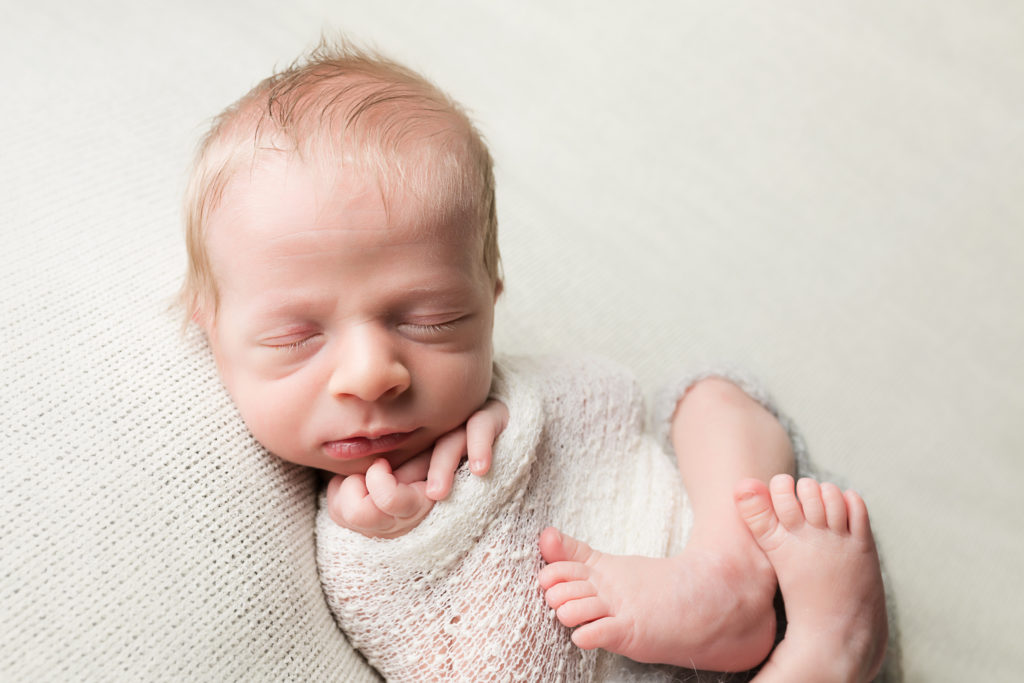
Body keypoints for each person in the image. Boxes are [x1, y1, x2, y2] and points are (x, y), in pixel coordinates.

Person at [179, 39, 887, 681]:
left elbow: (604, 413)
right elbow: (454, 643)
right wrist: (394, 539)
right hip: (772, 638)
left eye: (433, 321)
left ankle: (728, 571)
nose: (373, 373)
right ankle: (831, 646)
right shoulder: (358, 527)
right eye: (297, 337)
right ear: (210, 328)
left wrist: (508, 411)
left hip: (777, 544)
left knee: (712, 393)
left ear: (491, 295)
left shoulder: (512, 393)